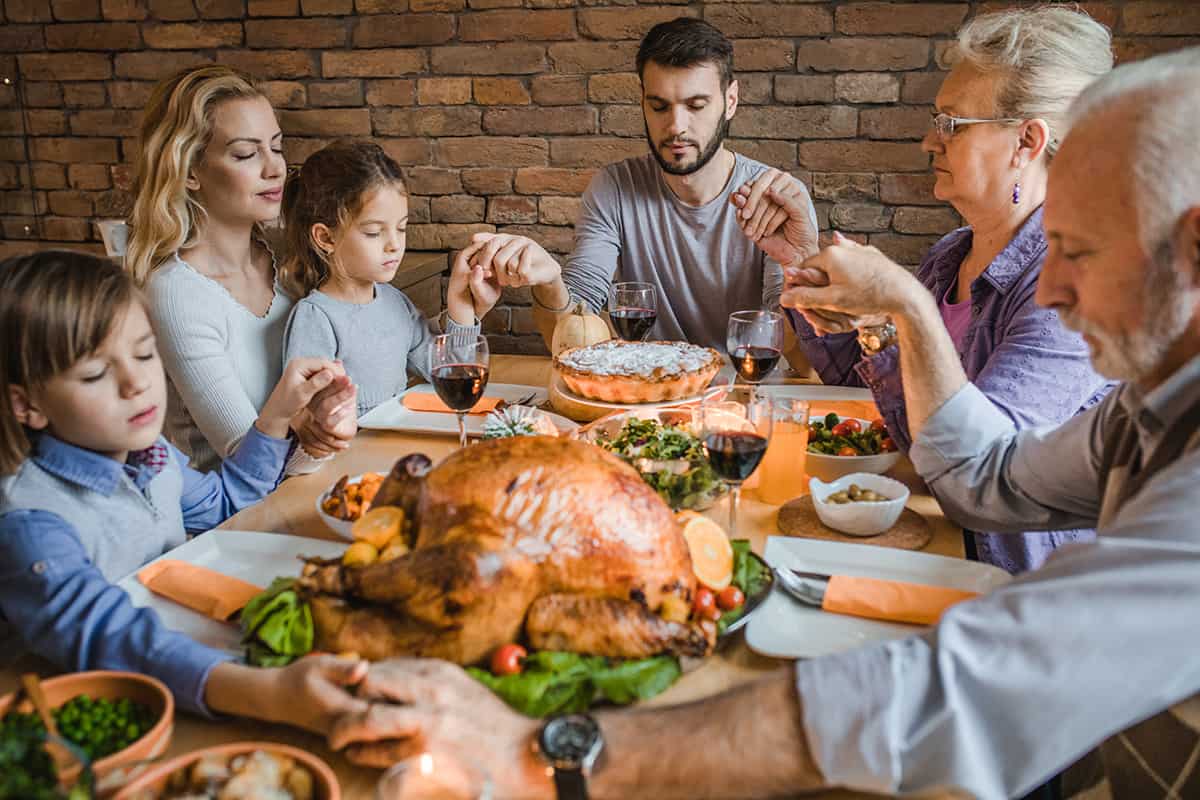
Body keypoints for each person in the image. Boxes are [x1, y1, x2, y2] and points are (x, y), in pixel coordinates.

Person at [320, 49, 1200, 800]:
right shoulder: (1153, 410)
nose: (1049, 288)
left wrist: (544, 752)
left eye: (1077, 253)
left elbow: (967, 688)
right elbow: (988, 480)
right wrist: (893, 308)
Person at [751, 6, 1115, 574]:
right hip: (933, 535)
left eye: (951, 124)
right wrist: (804, 262)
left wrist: (904, 303)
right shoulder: (952, 255)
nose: (928, 140)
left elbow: (983, 482)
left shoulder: (1070, 282)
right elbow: (867, 388)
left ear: (1026, 141)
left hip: (1009, 582)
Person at [0, 250, 370, 731]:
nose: (137, 383)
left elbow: (224, 506)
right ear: (27, 404)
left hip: (195, 665)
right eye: (95, 374)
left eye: (144, 352)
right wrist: (272, 693)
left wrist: (277, 416)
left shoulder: (151, 454)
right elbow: (110, 636)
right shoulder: (28, 522)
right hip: (95, 715)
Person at [461, 17, 819, 354]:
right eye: (659, 106)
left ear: (730, 101)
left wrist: (800, 264)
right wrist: (551, 282)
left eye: (696, 105)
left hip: (743, 396)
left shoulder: (777, 199)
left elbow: (803, 361)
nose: (676, 126)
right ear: (643, 102)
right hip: (644, 398)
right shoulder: (614, 188)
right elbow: (571, 331)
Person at [126, 65, 356, 474]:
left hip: (311, 485)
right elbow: (248, 460)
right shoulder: (176, 295)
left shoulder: (288, 262)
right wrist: (323, 435)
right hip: (231, 524)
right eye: (246, 154)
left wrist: (464, 311)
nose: (275, 169)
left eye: (277, 147)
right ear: (190, 171)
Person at [280, 141, 501, 416]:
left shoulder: (396, 302)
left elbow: (452, 371)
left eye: (401, 228)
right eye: (374, 232)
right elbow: (304, 416)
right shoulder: (316, 317)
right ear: (326, 238)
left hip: (394, 442)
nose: (394, 245)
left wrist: (461, 301)